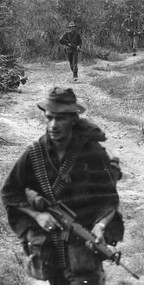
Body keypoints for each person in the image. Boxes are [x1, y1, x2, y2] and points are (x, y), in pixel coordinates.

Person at [1, 87, 123, 285]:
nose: (53, 125)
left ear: (73, 120)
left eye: (61, 118)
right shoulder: (35, 152)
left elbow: (109, 199)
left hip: (83, 240)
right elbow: (9, 192)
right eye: (49, 118)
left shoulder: (91, 151)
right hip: (50, 245)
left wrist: (100, 226)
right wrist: (37, 215)